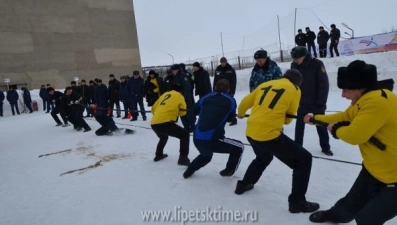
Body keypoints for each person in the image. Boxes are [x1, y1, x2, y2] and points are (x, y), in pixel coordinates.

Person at [305, 60, 397, 224]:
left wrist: (335, 130)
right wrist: (316, 119)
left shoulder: (377, 102)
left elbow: (355, 135)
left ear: (359, 88)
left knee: (367, 218)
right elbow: (345, 117)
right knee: (352, 202)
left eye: (345, 89)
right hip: (375, 169)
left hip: (394, 178)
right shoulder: (365, 99)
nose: (342, 95)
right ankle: (335, 216)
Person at [235, 69, 320, 213]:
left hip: (251, 131)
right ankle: (297, 202)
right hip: (268, 134)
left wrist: (241, 114)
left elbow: (244, 103)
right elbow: (288, 119)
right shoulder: (295, 89)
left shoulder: (266, 84)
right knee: (304, 160)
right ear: (298, 82)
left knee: (263, 157)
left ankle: (243, 185)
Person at [183, 79, 244, 178]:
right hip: (212, 139)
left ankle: (190, 170)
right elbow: (229, 119)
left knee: (206, 156)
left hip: (196, 137)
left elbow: (194, 110)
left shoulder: (206, 97)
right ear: (228, 90)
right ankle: (229, 170)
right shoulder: (230, 100)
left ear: (215, 87)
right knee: (239, 147)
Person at [290, 46, 333, 156]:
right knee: (299, 125)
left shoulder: (317, 64)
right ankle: (297, 147)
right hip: (301, 101)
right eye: (294, 59)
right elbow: (292, 85)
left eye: (297, 58)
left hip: (316, 101)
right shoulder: (294, 65)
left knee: (320, 125)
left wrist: (321, 103)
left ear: (304, 56)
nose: (295, 61)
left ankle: (325, 147)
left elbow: (324, 85)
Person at [150, 84, 190, 166]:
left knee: (163, 137)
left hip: (154, 123)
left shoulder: (164, 95)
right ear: (179, 91)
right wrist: (176, 113)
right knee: (185, 135)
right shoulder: (179, 96)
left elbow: (153, 108)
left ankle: (158, 155)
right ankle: (183, 158)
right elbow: (183, 112)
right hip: (165, 122)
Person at [169, 64, 195, 131]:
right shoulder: (175, 77)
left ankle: (192, 126)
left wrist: (183, 96)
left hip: (185, 98)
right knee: (181, 113)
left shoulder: (183, 76)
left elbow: (187, 88)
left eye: (173, 70)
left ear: (177, 70)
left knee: (188, 112)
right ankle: (186, 127)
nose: (172, 72)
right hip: (178, 98)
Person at [215, 57, 238, 126]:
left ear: (226, 62)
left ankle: (233, 119)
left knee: (230, 104)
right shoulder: (218, 69)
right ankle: (223, 118)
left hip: (228, 90)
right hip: (219, 90)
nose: (222, 64)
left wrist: (232, 91)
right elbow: (215, 81)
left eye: (223, 62)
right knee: (220, 105)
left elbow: (234, 81)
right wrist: (214, 90)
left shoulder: (230, 70)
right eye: (221, 62)